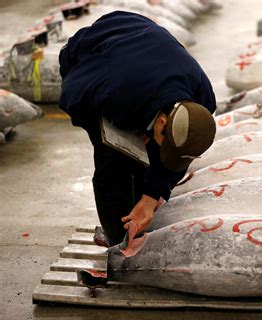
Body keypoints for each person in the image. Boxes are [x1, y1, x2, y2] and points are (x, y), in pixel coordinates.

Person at [58, 11, 216, 246]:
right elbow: (71, 95)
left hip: (148, 51)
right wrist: (114, 133)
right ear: (161, 122)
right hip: (93, 47)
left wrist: (152, 195)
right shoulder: (113, 92)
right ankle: (118, 244)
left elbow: (178, 154)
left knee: (152, 157)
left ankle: (140, 217)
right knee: (113, 167)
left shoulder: (204, 99)